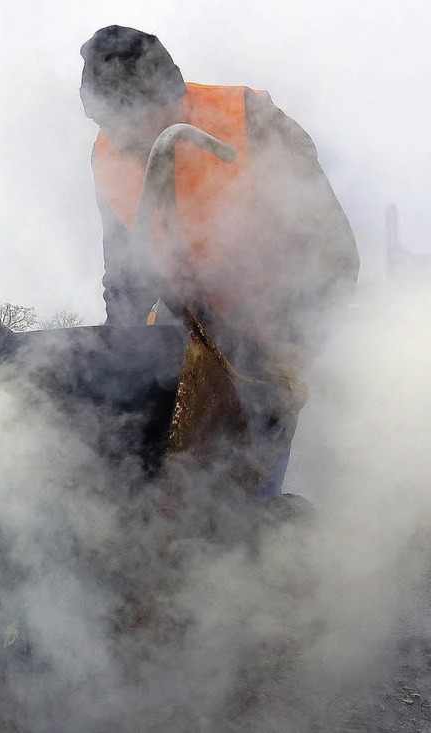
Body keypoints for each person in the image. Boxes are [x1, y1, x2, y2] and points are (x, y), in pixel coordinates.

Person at [80, 25, 360, 498]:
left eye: (136, 119)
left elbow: (330, 249)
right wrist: (123, 359)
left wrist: (296, 347)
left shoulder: (249, 118)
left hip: (274, 324)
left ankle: (256, 530)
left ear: (172, 96)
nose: (127, 140)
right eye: (112, 124)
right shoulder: (107, 154)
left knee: (254, 466)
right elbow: (126, 273)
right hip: (193, 329)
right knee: (178, 475)